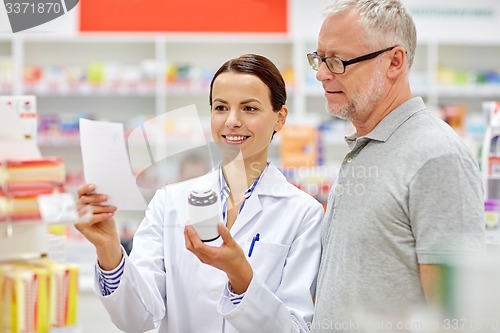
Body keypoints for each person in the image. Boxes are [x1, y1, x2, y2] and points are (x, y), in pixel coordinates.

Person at [75, 54, 324, 333]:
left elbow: (296, 328)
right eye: (220, 107)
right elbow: (137, 319)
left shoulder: (304, 213)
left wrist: (242, 277)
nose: (231, 121)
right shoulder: (170, 202)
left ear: (280, 118)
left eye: (249, 109)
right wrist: (108, 249)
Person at [307, 0, 485, 331]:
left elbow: (459, 316)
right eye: (318, 58)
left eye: (337, 61)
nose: (321, 73)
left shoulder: (437, 157)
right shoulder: (365, 147)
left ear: (394, 62)